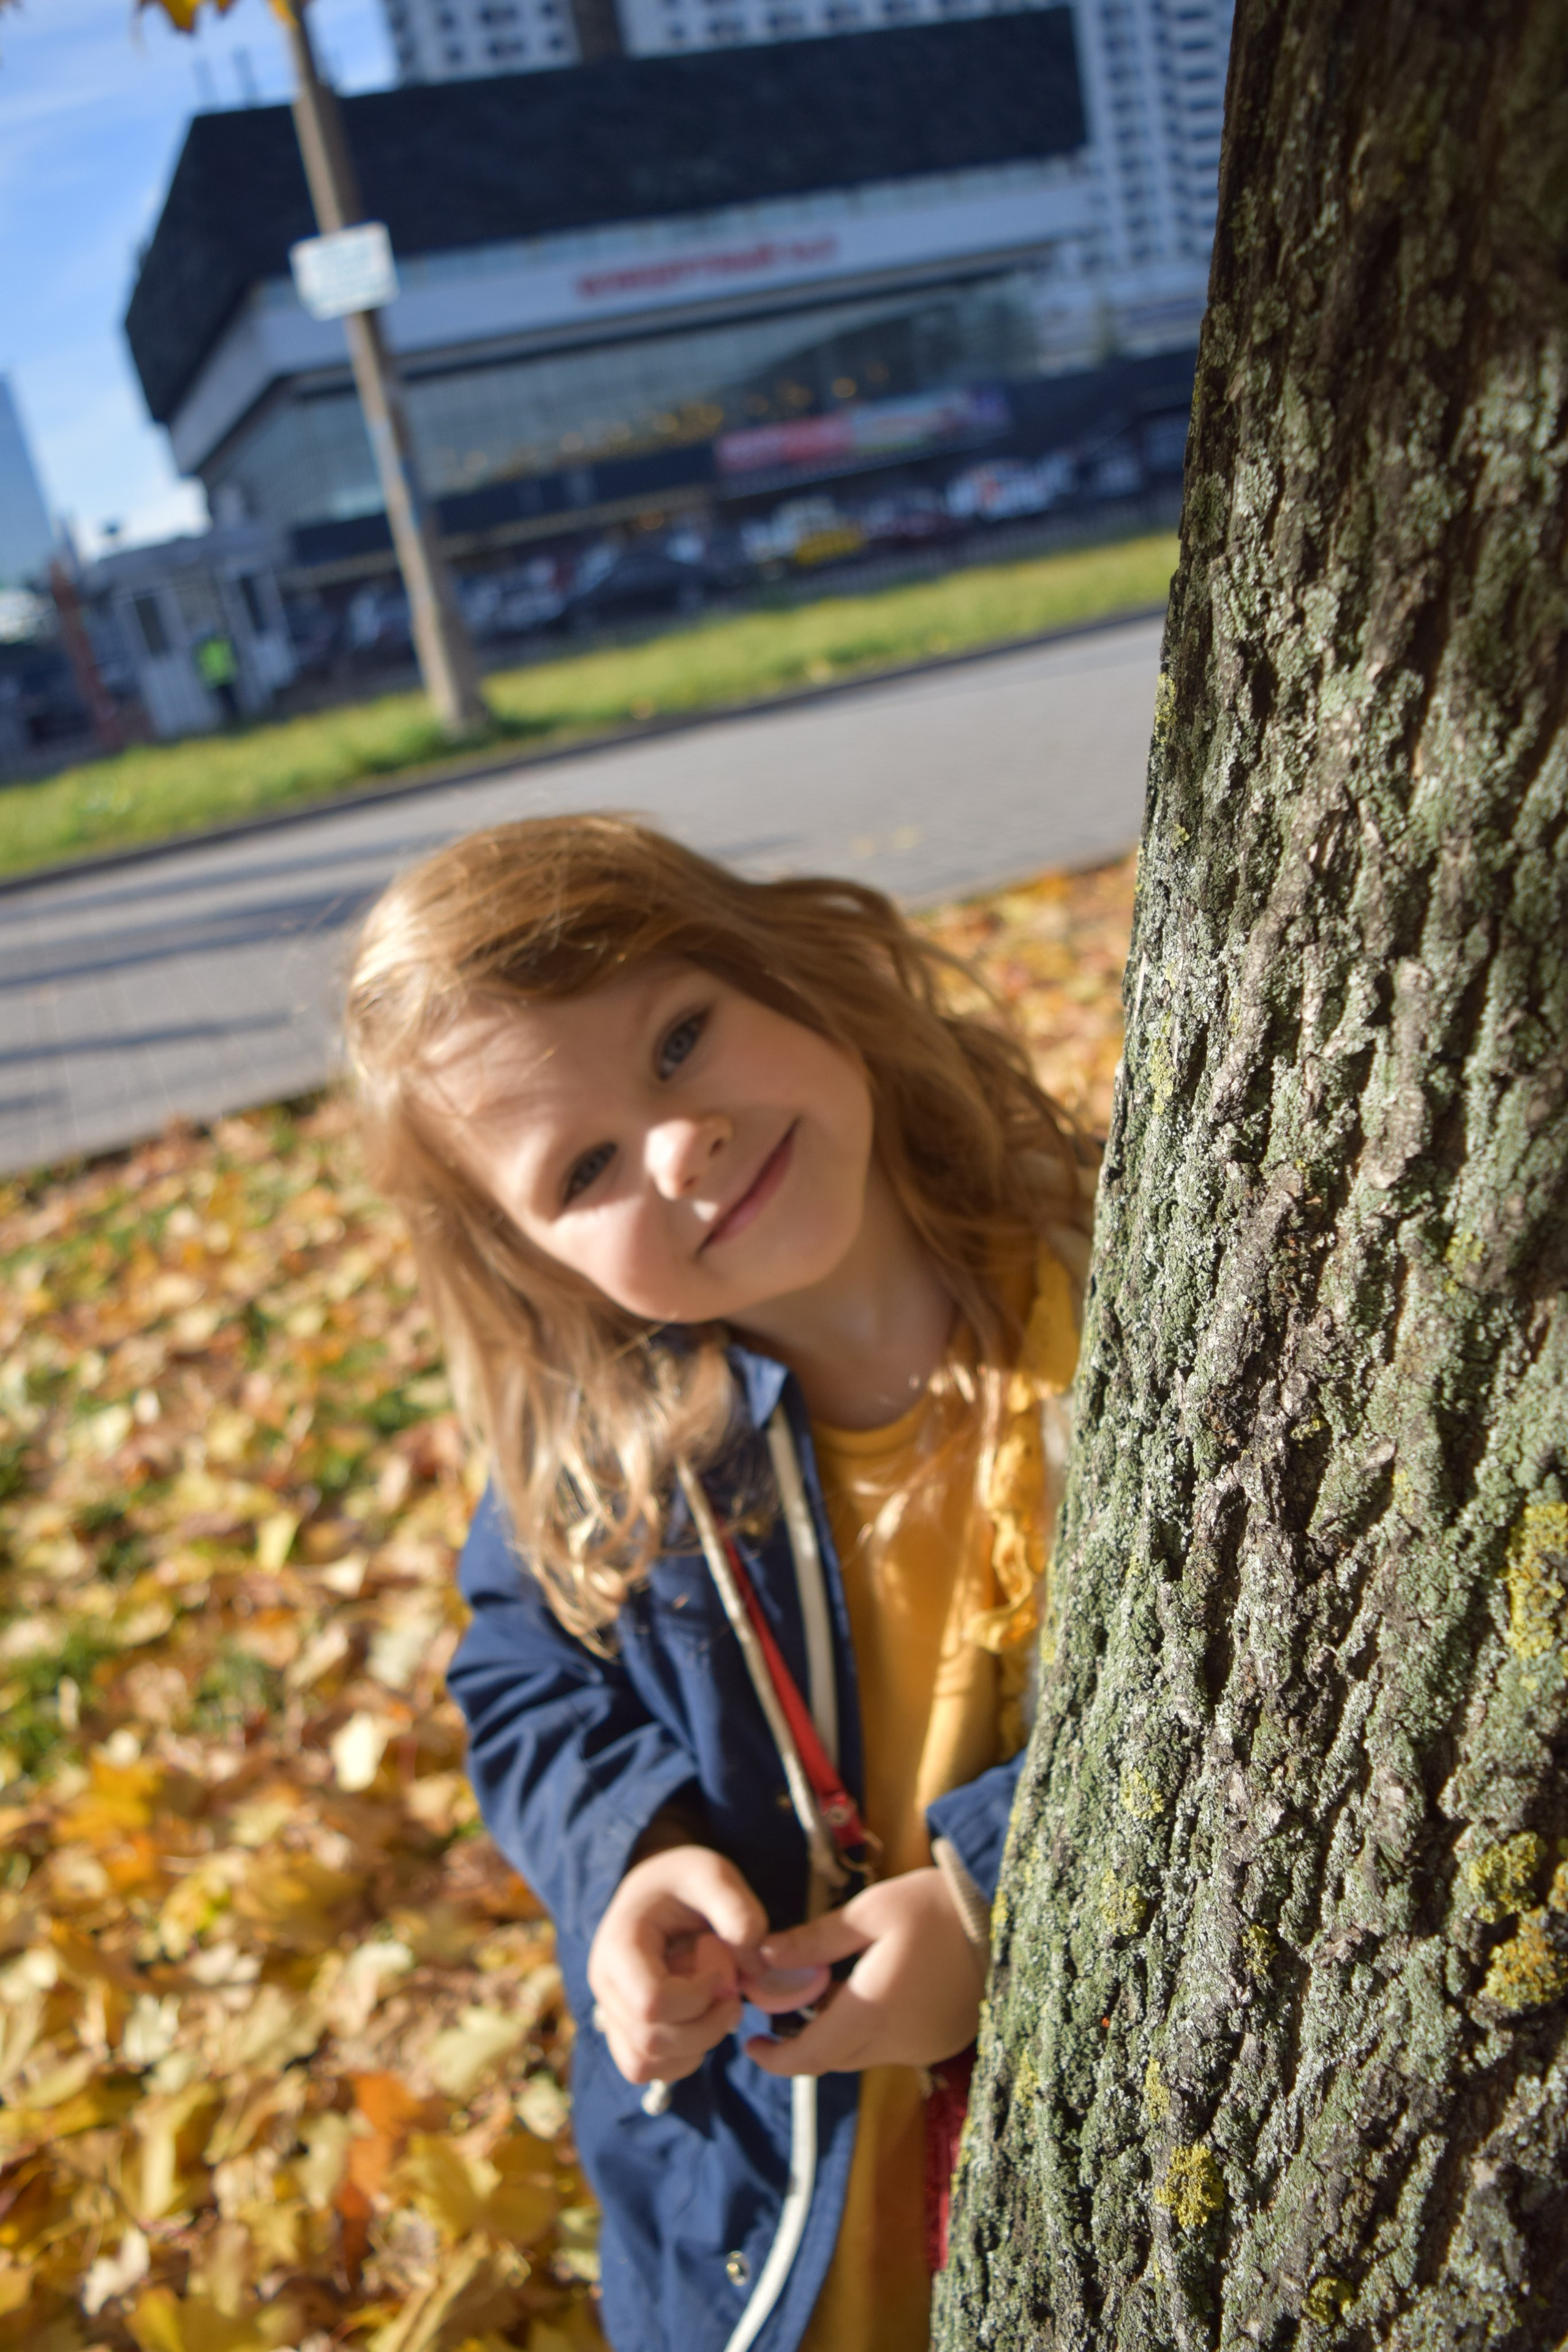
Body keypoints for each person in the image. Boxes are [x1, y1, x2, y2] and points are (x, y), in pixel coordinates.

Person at [344, 816, 1096, 2352]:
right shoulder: (604, 1470)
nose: (677, 1146)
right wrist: (632, 1855)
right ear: (539, 1266)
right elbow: (521, 1674)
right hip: (760, 2252)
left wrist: (1003, 1898)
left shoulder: (1118, 1293)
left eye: (678, 1038)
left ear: (784, 973)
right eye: (587, 1166)